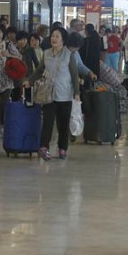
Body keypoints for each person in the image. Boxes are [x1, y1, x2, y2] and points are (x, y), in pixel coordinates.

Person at [24, 28, 79, 161]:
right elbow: (39, 70)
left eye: (57, 36)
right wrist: (29, 81)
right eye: (53, 36)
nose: (54, 38)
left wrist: (77, 92)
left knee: (63, 124)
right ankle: (44, 147)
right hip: (48, 94)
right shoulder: (47, 53)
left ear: (63, 40)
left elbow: (74, 74)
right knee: (47, 121)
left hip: (65, 94)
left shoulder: (69, 54)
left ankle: (62, 148)